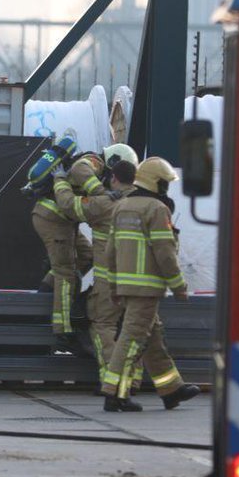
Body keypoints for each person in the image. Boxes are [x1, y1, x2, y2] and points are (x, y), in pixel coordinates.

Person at [101, 157, 202, 412]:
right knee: (132, 339)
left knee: (153, 338)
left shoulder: (121, 207)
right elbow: (165, 253)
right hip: (147, 288)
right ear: (155, 183)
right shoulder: (156, 210)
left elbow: (110, 252)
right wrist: (179, 286)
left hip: (126, 287)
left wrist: (113, 287)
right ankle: (115, 394)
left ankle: (171, 389)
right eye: (165, 184)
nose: (167, 189)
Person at [53, 151, 138, 383]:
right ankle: (133, 381)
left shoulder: (103, 204)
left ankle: (112, 381)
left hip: (109, 284)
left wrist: (60, 179)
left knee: (102, 326)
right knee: (136, 332)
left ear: (113, 178)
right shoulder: (147, 205)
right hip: (140, 284)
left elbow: (69, 206)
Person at [27, 139, 93, 356]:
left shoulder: (89, 167)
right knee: (66, 273)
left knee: (86, 255)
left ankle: (47, 291)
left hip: (64, 220)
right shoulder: (88, 172)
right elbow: (71, 204)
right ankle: (63, 331)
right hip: (53, 218)